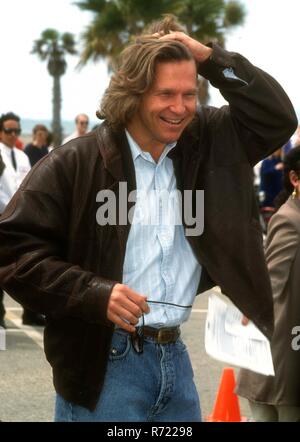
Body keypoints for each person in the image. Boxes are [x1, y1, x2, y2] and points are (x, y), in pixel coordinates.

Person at [0, 15, 297, 421]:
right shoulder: (77, 161)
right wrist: (95, 293)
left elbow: (276, 117)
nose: (180, 108)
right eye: (165, 94)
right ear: (134, 94)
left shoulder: (207, 142)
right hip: (104, 367)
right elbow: (12, 251)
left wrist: (209, 58)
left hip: (176, 359)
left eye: (190, 94)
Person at [236, 146, 300, 422]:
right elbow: (270, 282)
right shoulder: (290, 220)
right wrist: (252, 309)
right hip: (281, 352)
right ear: (295, 179)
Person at [0, 112, 45, 328]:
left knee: (29, 266)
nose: (13, 134)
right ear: (1, 132)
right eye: (9, 130)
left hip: (23, 221)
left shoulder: (22, 156)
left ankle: (31, 312)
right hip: (2, 218)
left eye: (16, 131)